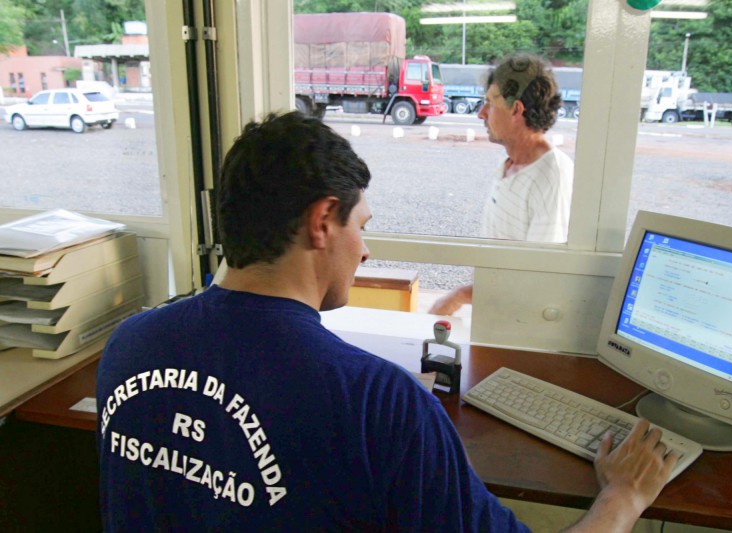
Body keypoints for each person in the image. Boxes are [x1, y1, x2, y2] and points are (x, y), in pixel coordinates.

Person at [97, 111, 675, 532]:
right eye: (362, 225)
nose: (365, 250)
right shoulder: (377, 401)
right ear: (323, 220)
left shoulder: (129, 344)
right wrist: (622, 497)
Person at [430, 52, 573, 316]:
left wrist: (459, 296)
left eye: (490, 104)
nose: (481, 114)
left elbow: (538, 275)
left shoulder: (552, 176)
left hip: (520, 329)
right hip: (495, 316)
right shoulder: (509, 165)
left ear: (516, 110)